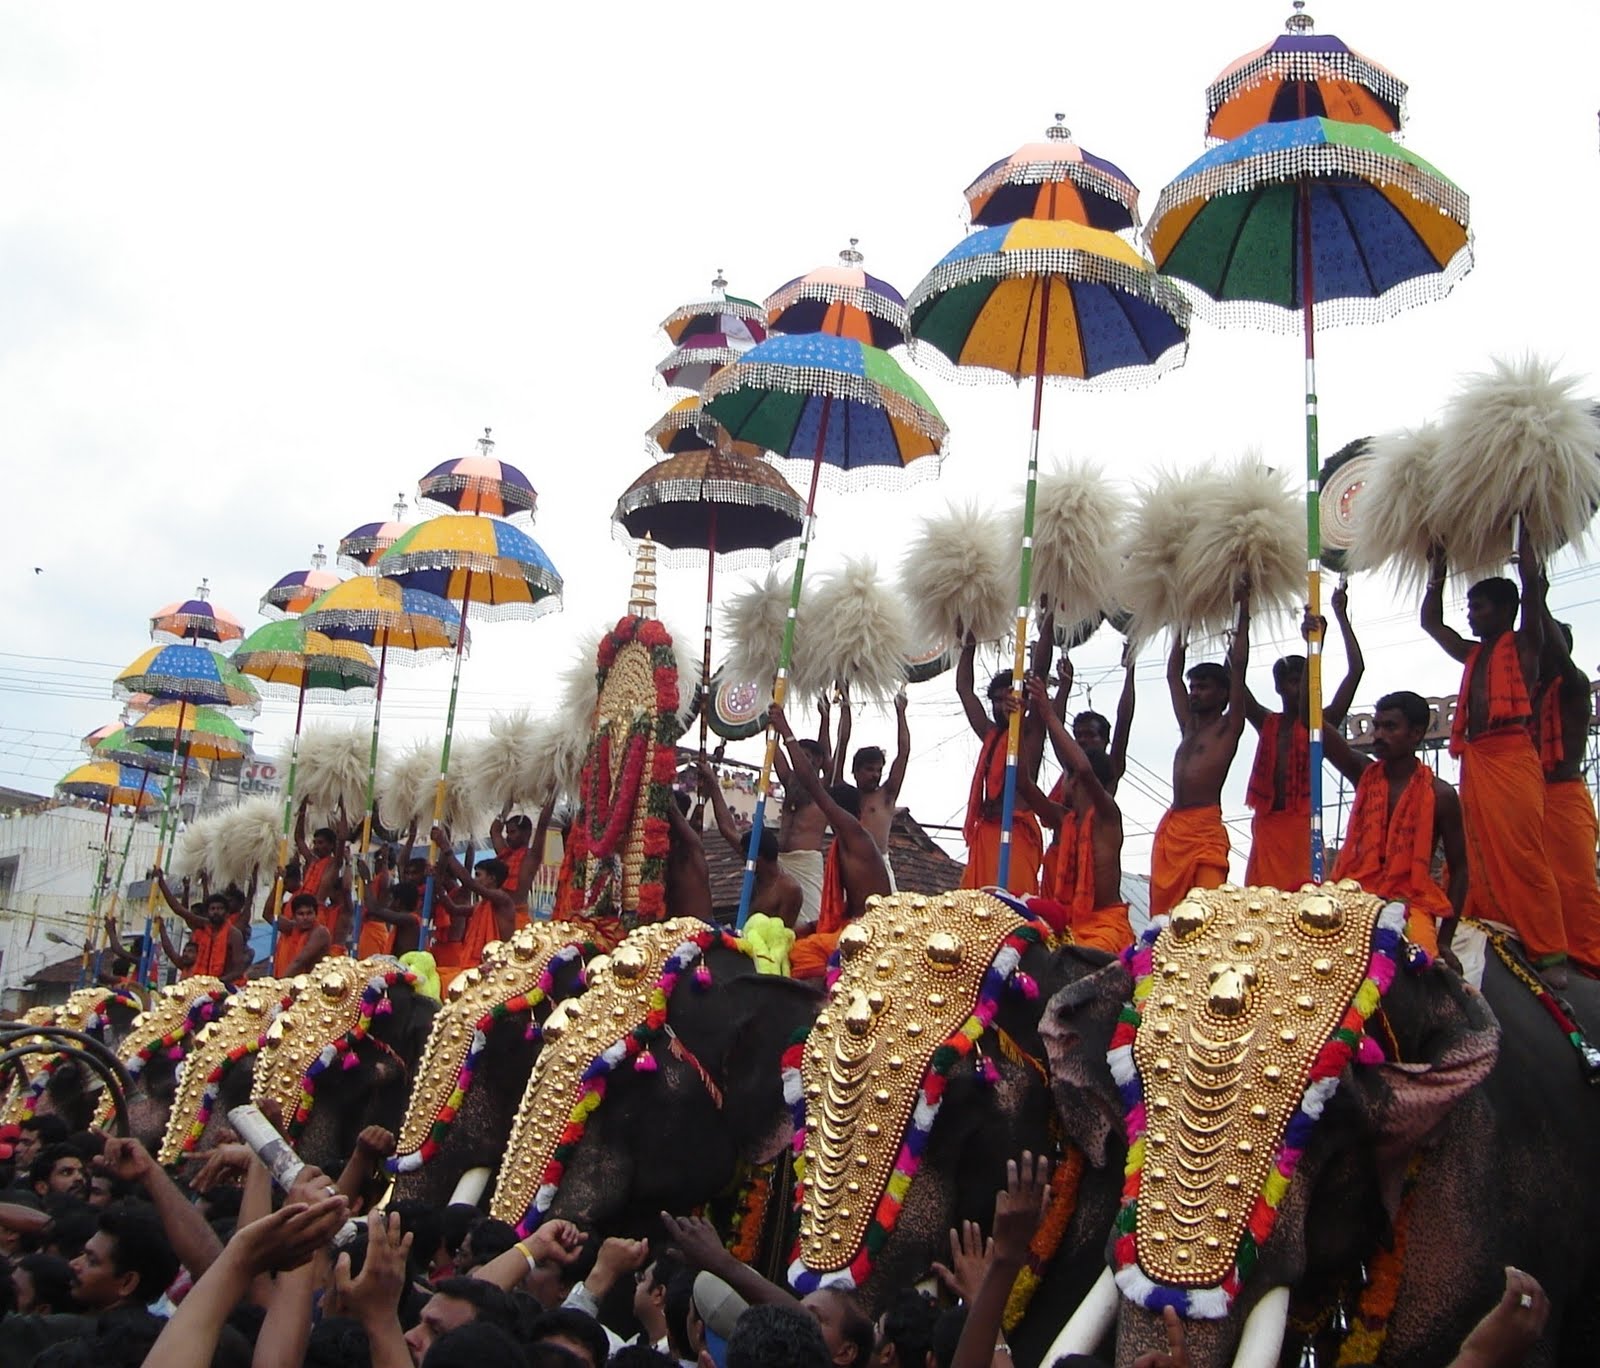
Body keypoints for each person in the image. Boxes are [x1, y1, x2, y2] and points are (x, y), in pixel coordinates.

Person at [1422, 535, 1567, 982]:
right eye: (1469, 606)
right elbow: (1432, 623)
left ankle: (1550, 950)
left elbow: (1533, 595)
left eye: (1479, 606)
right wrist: (1437, 568)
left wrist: (1527, 553)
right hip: (1477, 759)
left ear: (1506, 610)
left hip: (1511, 754)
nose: (1470, 613)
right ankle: (1480, 919)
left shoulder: (1526, 644)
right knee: (1475, 846)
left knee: (1522, 850)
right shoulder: (1473, 653)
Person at [1324, 688, 1467, 961]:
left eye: (1390, 727)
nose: (1378, 735)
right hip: (1354, 897)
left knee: (1424, 967)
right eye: (1377, 726)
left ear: (1416, 733)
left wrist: (1446, 941)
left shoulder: (1442, 795)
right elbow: (1313, 723)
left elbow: (1460, 869)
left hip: (1411, 904)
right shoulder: (1363, 773)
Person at [1243, 582, 1363, 889]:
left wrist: (1331, 629)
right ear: (1279, 687)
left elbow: (1356, 671)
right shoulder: (1267, 722)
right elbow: (1236, 686)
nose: (1296, 688)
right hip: (1268, 824)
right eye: (1290, 682)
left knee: (1304, 903)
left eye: (1301, 681)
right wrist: (1241, 612)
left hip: (1303, 824)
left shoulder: (1323, 722)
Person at [1152, 577, 1250, 916]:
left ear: (1223, 695)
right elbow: (1172, 675)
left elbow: (1238, 668)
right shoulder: (1188, 727)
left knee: (1206, 913)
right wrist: (1183, 619)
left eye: (1203, 687)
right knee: (1167, 922)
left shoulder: (1229, 727)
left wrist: (1243, 608)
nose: (1194, 693)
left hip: (1205, 830)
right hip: (1175, 829)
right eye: (1193, 687)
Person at [770, 704, 892, 979]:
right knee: (800, 935)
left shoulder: (854, 834)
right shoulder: (846, 840)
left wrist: (788, 729)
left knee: (801, 954)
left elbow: (816, 784)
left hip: (868, 928)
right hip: (853, 920)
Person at [1018, 677, 1132, 953]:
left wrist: (1047, 712)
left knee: (1075, 959)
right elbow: (1023, 784)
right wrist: (1019, 724)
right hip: (1068, 923)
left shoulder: (1107, 815)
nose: (1062, 782)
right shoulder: (1064, 818)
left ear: (1077, 782)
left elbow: (1082, 767)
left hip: (1105, 925)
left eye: (1067, 776)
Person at [1534, 614, 1600, 976]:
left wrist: (1535, 592)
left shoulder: (1573, 687)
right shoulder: (1519, 694)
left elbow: (1560, 660)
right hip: (1525, 802)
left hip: (1563, 801)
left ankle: (1590, 966)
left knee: (1574, 890)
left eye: (1542, 642)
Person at [955, 637, 1046, 895]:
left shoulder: (1032, 733)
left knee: (1015, 910)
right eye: (995, 701)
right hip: (987, 832)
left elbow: (1040, 672)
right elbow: (964, 689)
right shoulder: (990, 733)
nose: (1000, 706)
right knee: (978, 913)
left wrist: (1047, 621)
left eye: (1006, 698)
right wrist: (969, 642)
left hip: (1017, 834)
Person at [698, 758, 803, 927]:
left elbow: (782, 936)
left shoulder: (789, 889)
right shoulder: (754, 868)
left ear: (759, 859)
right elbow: (727, 829)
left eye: (746, 856)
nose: (743, 859)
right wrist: (713, 784)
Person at [833, 687, 912, 889]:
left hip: (880, 866)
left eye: (878, 770)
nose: (875, 775)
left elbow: (904, 752)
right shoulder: (844, 796)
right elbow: (841, 743)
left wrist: (901, 712)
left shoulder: (886, 796)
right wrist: (845, 704)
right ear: (856, 771)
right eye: (869, 769)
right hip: (849, 867)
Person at [432, 829, 517, 986]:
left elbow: (468, 883)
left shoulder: (503, 899)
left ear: (492, 878)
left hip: (495, 971)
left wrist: (446, 848)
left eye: (478, 875)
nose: (475, 879)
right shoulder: (481, 906)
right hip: (474, 969)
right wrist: (437, 885)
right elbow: (453, 909)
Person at [771, 729, 832, 931]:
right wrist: (769, 722)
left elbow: (829, 756)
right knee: (781, 923)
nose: (801, 762)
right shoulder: (790, 782)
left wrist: (826, 716)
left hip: (807, 864)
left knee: (810, 924)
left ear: (817, 763)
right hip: (782, 863)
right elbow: (773, 748)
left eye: (807, 758)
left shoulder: (822, 789)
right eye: (799, 755)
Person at [152, 887, 249, 984]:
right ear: (208, 912)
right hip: (201, 985)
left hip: (227, 987)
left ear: (227, 913)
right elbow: (178, 909)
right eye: (212, 909)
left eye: (220, 909)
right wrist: (161, 882)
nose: (216, 912)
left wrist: (217, 982)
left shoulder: (234, 934)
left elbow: (238, 970)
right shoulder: (203, 927)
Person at [295, 801, 352, 951]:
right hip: (299, 911)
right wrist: (302, 808)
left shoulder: (334, 863)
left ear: (332, 845)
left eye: (321, 843)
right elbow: (299, 839)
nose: (317, 846)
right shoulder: (311, 861)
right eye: (315, 843)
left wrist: (343, 808)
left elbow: (342, 836)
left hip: (317, 913)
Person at [273, 891, 332, 978]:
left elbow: (300, 961)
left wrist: (280, 984)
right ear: (294, 916)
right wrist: (278, 886)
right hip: (292, 982)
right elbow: (269, 914)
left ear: (316, 914)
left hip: (314, 985)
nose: (305, 918)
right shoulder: (292, 927)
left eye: (309, 913)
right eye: (301, 914)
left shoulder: (320, 932)